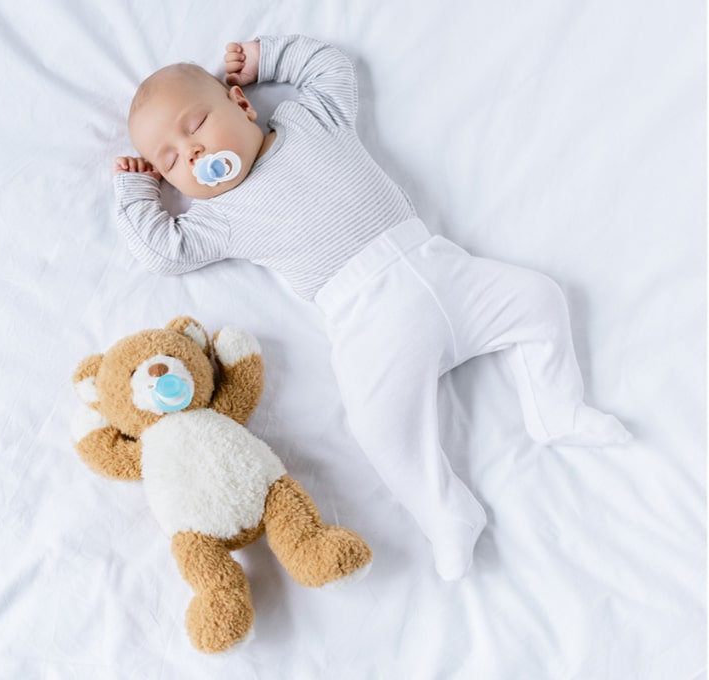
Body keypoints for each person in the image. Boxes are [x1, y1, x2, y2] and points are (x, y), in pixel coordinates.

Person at [112, 34, 630, 580]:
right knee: (378, 427)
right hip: (368, 320)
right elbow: (160, 251)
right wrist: (134, 190)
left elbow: (330, 67)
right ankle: (446, 513)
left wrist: (268, 59)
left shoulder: (310, 121)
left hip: (443, 269)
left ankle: (558, 411)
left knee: (540, 298)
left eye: (194, 126)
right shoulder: (218, 217)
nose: (190, 152)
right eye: (169, 161)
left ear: (242, 105)